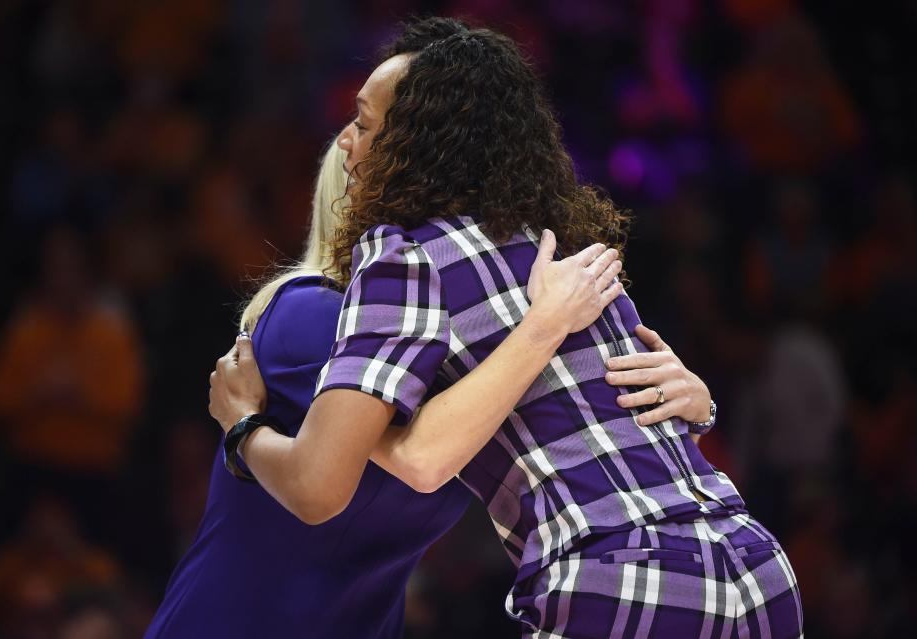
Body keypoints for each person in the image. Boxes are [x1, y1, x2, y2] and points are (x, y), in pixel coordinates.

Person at [211, 18, 801, 638]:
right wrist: (700, 405)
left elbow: (318, 485)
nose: (346, 144)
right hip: (753, 565)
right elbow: (641, 417)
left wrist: (243, 427)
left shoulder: (402, 255)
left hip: (620, 577)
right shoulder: (563, 246)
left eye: (362, 123)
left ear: (417, 142)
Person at [146, 133, 630, 638]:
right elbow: (406, 460)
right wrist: (542, 330)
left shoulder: (459, 357)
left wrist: (683, 396)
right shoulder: (311, 313)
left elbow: (597, 448)